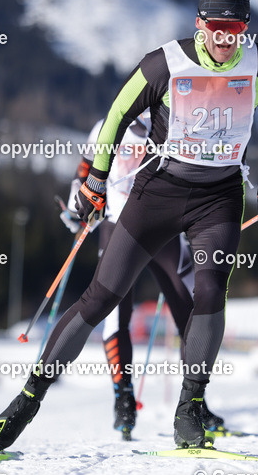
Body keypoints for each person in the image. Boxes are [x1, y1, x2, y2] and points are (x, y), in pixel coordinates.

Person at [0, 0, 258, 453]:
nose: (225, 39)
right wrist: (95, 182)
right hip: (159, 194)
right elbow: (115, 117)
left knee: (209, 291)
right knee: (101, 298)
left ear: (245, 27)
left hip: (220, 197)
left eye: (235, 29)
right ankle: (28, 398)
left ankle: (190, 409)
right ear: (199, 24)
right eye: (216, 28)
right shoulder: (164, 64)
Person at [61, 113, 196, 440]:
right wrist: (76, 207)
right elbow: (85, 170)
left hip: (163, 229)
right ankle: (123, 398)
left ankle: (194, 403)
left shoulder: (175, 120)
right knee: (113, 313)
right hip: (117, 226)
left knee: (192, 313)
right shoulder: (105, 126)